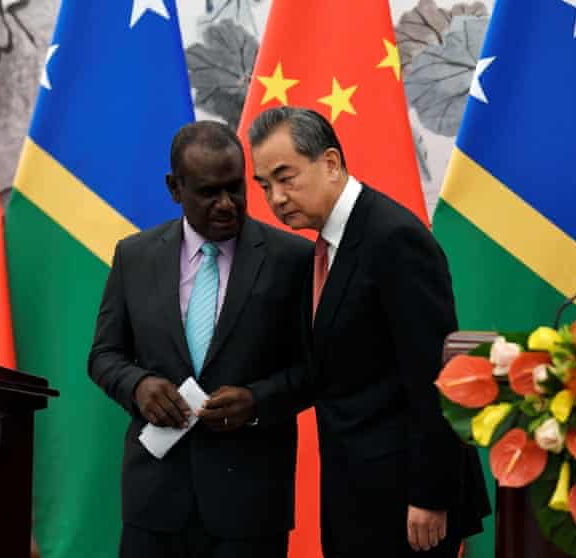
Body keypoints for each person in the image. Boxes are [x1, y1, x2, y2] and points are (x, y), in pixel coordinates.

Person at [248, 106, 491, 557]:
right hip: (356, 494)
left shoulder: (393, 238)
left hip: (408, 502)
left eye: (286, 177)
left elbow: (435, 379)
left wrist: (430, 495)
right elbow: (331, 370)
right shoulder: (324, 247)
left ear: (331, 163)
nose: (276, 197)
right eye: (265, 185)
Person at [88, 121, 312, 558]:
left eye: (236, 189)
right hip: (154, 503)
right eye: (209, 193)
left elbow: (316, 368)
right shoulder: (134, 257)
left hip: (249, 506)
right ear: (175, 188)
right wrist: (137, 386)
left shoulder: (293, 260)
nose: (227, 205)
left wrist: (257, 401)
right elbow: (104, 355)